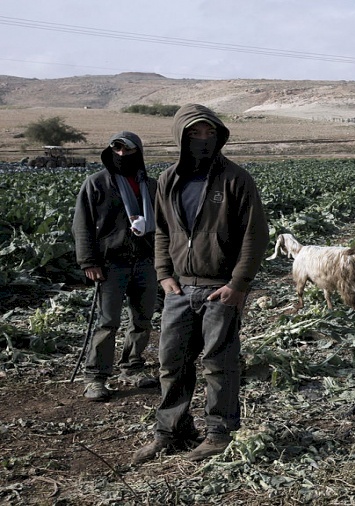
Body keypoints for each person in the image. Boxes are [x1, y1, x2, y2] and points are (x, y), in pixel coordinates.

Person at [132, 104, 269, 465]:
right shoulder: (168, 180)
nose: (203, 140)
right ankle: (171, 431)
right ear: (181, 136)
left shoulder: (236, 179)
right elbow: (161, 231)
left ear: (219, 135)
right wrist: (164, 274)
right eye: (195, 133)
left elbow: (255, 236)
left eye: (210, 133)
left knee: (219, 363)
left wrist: (238, 285)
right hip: (180, 289)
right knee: (171, 362)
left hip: (220, 287)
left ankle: (219, 434)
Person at [72, 132, 159, 402]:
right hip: (111, 264)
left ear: (138, 153)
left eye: (127, 150)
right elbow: (82, 224)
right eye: (117, 149)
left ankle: (132, 367)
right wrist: (89, 261)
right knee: (107, 322)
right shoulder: (97, 183)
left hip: (146, 261)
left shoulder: (152, 185)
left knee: (142, 319)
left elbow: (167, 223)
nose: (121, 154)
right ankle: (95, 377)